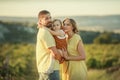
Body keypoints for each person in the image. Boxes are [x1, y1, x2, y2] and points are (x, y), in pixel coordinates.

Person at [36, 10, 63, 80]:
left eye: (50, 17)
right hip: (50, 70)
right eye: (46, 18)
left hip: (45, 68)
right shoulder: (45, 32)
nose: (50, 20)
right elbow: (55, 53)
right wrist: (62, 58)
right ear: (40, 21)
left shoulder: (45, 30)